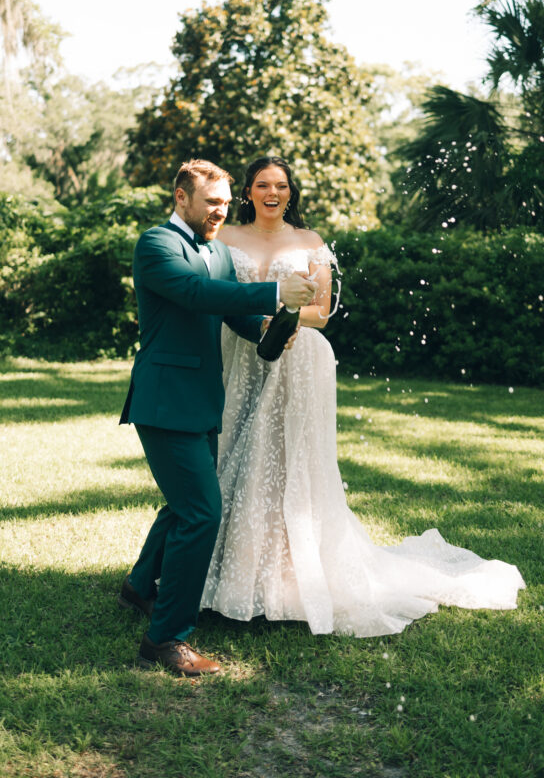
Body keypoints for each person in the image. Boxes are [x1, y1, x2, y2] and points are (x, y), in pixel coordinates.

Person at [201, 155, 525, 636]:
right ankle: (224, 574)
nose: (273, 193)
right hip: (239, 354)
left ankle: (287, 581)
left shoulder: (309, 242)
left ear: (292, 193)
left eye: (283, 186)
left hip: (299, 358)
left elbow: (322, 311)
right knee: (233, 452)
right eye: (264, 185)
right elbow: (214, 294)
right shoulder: (225, 238)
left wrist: (278, 316)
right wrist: (259, 315)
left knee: (286, 460)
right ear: (247, 191)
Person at [118, 159, 317, 675]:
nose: (220, 211)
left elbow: (238, 316)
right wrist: (274, 290)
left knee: (187, 503)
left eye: (226, 203)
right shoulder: (157, 245)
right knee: (202, 510)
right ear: (181, 197)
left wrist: (277, 327)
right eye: (211, 202)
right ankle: (165, 640)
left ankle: (139, 586)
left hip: (205, 400)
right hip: (163, 402)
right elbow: (196, 295)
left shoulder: (221, 253)